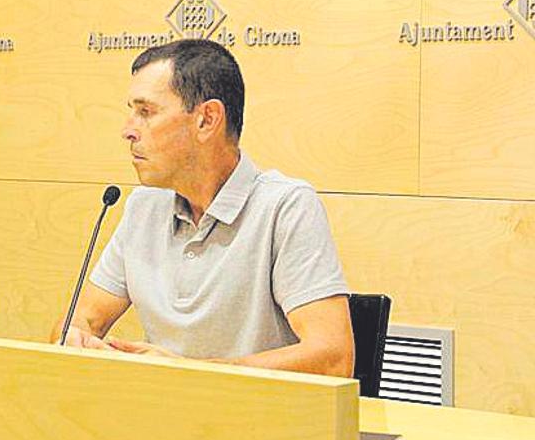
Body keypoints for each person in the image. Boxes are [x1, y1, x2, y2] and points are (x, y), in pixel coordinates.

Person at [56, 39, 354, 377]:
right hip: (159, 407)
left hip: (251, 410)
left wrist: (189, 372)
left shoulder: (284, 207)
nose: (128, 131)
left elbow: (333, 359)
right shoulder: (143, 206)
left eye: (146, 112)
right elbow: (80, 322)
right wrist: (77, 340)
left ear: (207, 120)